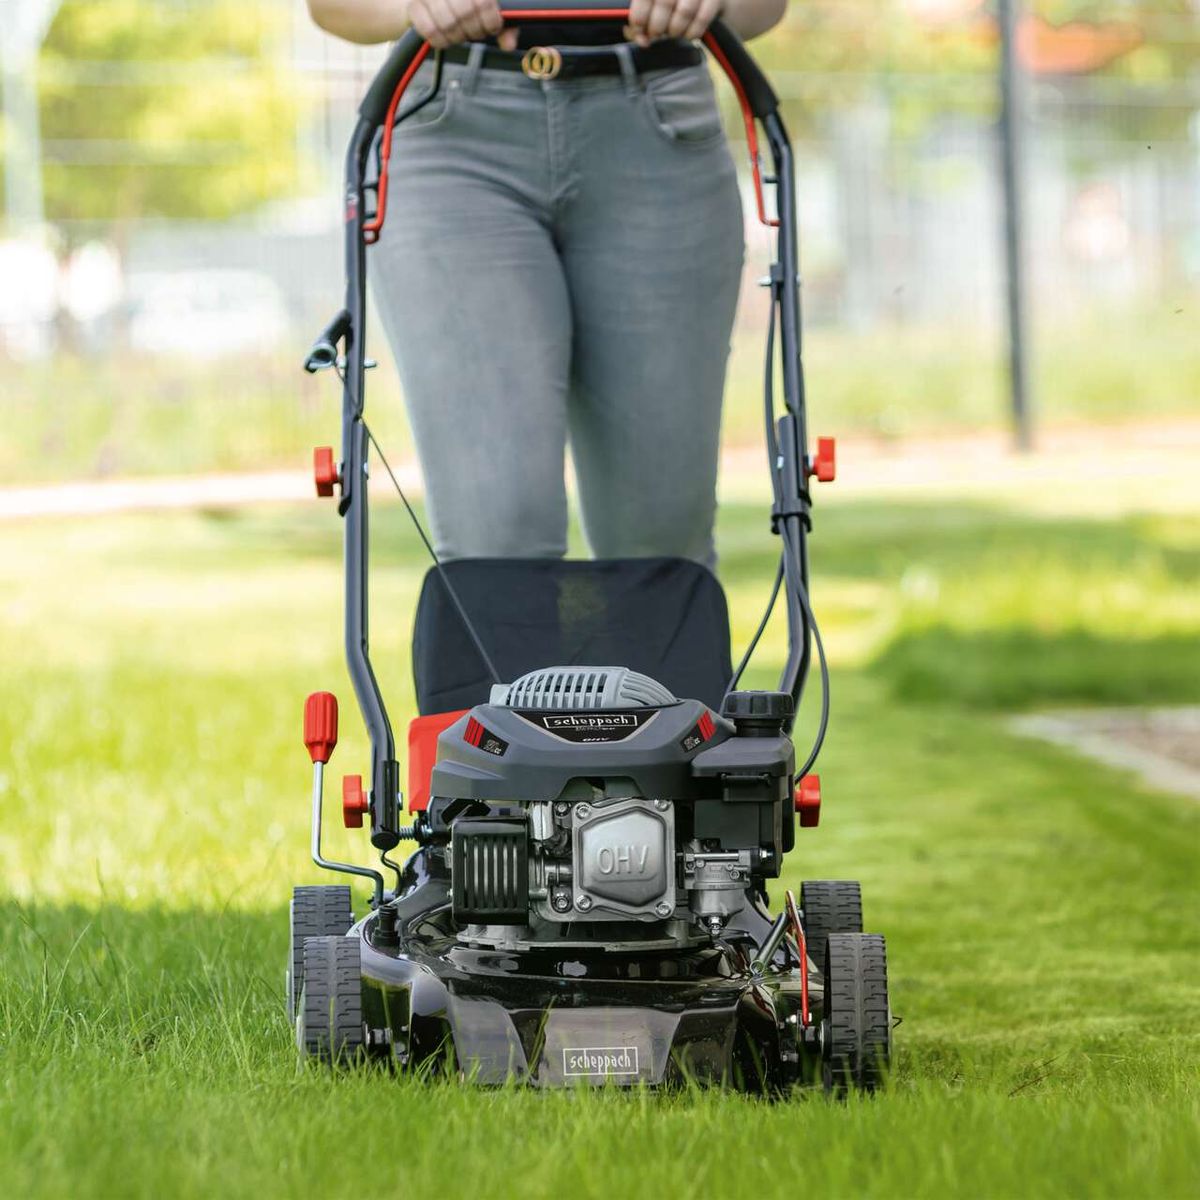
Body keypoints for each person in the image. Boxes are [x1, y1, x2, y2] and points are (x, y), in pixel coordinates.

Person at [308, 0, 787, 566]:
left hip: (657, 130)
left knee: (658, 538)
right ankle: (507, 652)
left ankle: (650, 655)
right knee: (497, 533)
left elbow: (764, 8)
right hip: (453, 137)